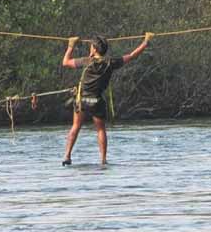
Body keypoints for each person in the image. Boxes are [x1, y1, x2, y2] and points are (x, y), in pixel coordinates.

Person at [61, 32, 154, 166]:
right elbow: (132, 56)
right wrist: (145, 42)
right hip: (96, 101)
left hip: (82, 101)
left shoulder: (86, 61)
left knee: (75, 126)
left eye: (91, 47)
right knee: (100, 129)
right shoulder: (111, 62)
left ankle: (67, 156)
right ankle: (103, 160)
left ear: (94, 49)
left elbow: (65, 62)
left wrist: (70, 45)